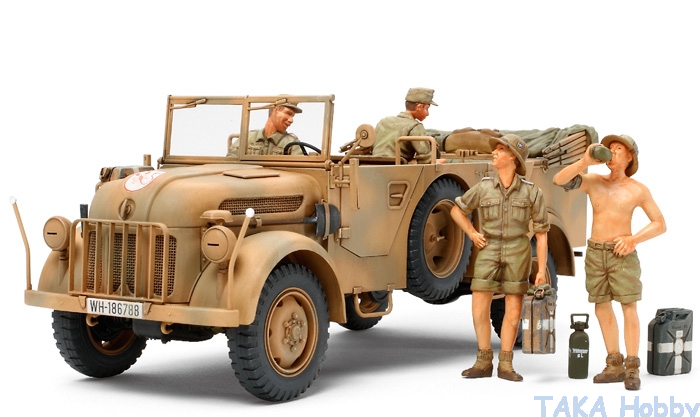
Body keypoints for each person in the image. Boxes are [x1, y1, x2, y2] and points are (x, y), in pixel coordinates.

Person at [553, 134, 666, 390]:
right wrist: (584, 162)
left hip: (621, 255)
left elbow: (660, 223)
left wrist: (633, 239)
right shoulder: (594, 182)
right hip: (596, 254)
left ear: (630, 157)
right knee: (601, 306)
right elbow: (559, 180)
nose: (612, 152)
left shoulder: (637, 190)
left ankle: (632, 366)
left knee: (629, 307)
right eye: (610, 148)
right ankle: (614, 362)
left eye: (618, 149)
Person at [450, 133, 550, 381]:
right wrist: (472, 233)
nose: (494, 152)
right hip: (489, 248)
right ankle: (483, 361)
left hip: (518, 251)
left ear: (513, 158)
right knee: (478, 308)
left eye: (500, 149)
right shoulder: (484, 187)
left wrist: (540, 270)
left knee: (513, 311)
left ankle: (506, 364)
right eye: (495, 149)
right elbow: (457, 210)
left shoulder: (531, 192)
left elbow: (541, 234)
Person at [371, 87, 437, 164]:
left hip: (373, 163)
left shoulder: (384, 121)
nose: (427, 114)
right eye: (427, 109)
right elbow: (427, 160)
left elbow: (371, 146)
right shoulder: (415, 126)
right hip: (399, 167)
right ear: (419, 107)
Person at [227, 101, 303, 157]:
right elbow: (231, 161)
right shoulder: (249, 138)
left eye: (292, 116)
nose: (291, 120)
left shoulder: (292, 144)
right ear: (275, 110)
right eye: (288, 113)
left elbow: (299, 170)